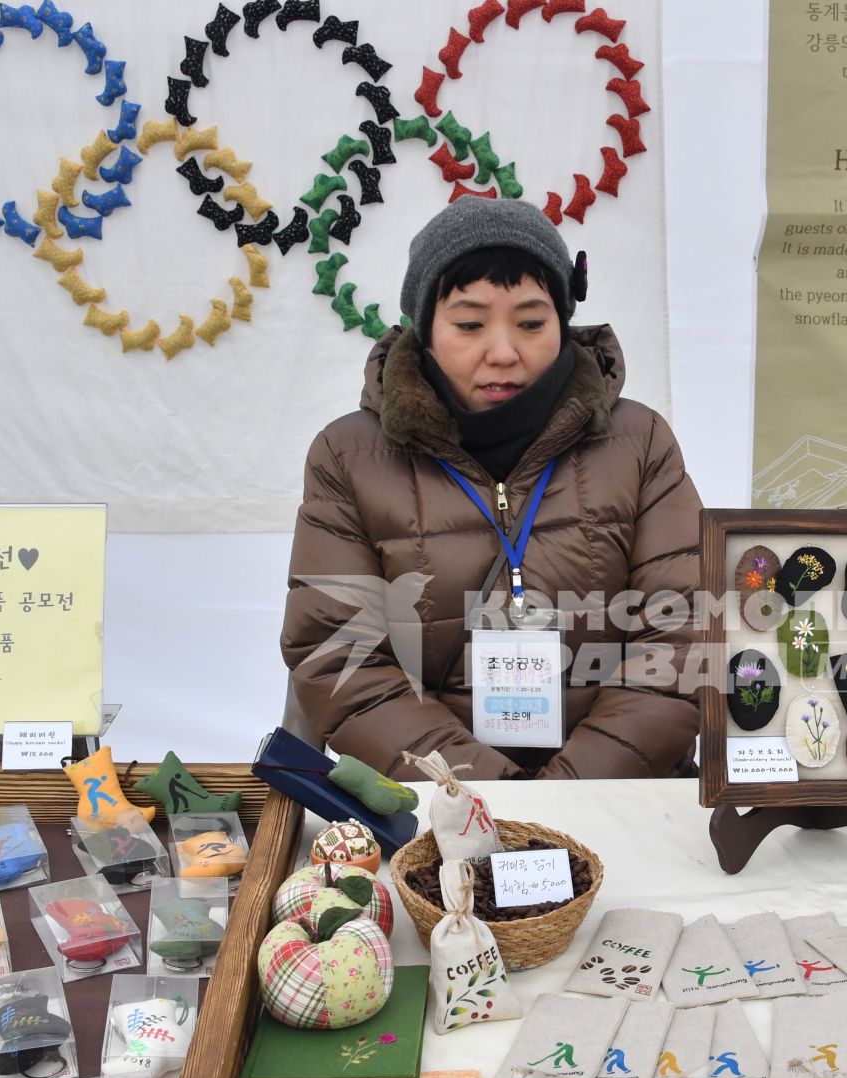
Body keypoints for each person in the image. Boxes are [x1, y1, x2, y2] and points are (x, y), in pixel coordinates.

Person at [282, 198, 702, 781]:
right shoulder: (349, 457)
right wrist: (487, 799)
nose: (503, 352)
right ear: (425, 327)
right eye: (469, 324)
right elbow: (339, 659)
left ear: (562, 319)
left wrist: (570, 793)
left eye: (531, 323)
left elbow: (681, 635)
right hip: (438, 807)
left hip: (619, 794)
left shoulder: (640, 442)